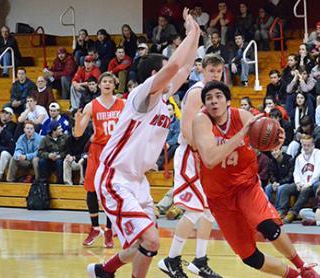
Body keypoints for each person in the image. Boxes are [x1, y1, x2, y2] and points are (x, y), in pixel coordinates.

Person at [86, 9, 202, 278]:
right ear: (153, 74)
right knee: (150, 240)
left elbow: (184, 68)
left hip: (138, 180)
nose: (170, 75)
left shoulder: (163, 97)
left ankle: (104, 271)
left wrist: (196, 35)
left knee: (143, 242)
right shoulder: (142, 96)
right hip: (115, 177)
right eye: (163, 71)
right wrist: (190, 33)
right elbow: (174, 66)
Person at [192, 81, 320, 277]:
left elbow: (264, 135)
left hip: (245, 185)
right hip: (219, 197)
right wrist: (240, 135)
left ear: (228, 101)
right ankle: (293, 276)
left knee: (268, 226)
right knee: (249, 257)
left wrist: (276, 136)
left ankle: (303, 267)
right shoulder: (202, 122)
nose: (213, 101)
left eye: (218, 96)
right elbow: (210, 160)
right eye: (208, 99)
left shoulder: (243, 116)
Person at [158, 53, 224, 278]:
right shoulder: (197, 93)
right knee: (195, 210)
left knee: (208, 210)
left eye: (218, 71)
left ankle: (199, 260)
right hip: (191, 154)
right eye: (211, 70)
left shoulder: (217, 94)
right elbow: (186, 129)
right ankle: (171, 259)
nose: (215, 74)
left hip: (205, 154)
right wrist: (201, 153)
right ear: (202, 70)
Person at [75, 72, 125, 249]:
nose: (107, 84)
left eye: (110, 81)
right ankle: (95, 227)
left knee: (111, 191)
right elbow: (78, 134)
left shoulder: (123, 104)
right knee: (91, 189)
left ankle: (110, 230)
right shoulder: (91, 105)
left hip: (114, 152)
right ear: (99, 84)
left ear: (114, 85)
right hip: (97, 150)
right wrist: (77, 122)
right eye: (104, 81)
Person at [278, 135, 320, 223]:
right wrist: (298, 183)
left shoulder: (318, 153)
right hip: (302, 183)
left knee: (306, 190)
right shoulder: (299, 157)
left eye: (308, 145)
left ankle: (292, 213)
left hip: (314, 183)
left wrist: (308, 184)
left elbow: (319, 171)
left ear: (313, 145)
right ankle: (282, 211)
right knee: (285, 189)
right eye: (304, 145)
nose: (306, 147)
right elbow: (296, 173)